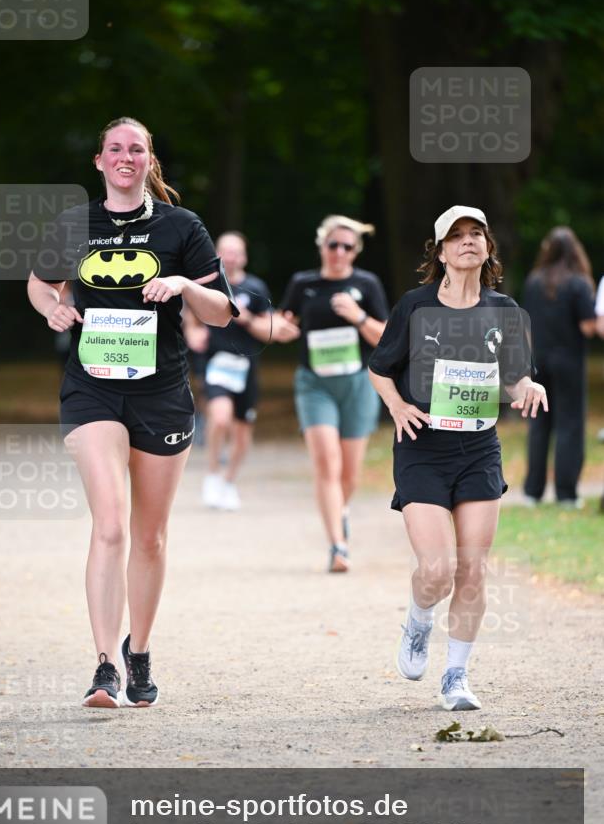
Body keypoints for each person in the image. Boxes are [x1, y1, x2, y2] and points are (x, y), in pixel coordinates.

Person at [27, 116, 236, 709]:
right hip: (92, 388)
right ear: (99, 162)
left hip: (161, 392)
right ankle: (102, 668)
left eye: (136, 149)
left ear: (149, 160)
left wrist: (181, 286)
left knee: (149, 536)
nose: (125, 157)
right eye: (115, 149)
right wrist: (53, 310)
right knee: (111, 524)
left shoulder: (181, 226)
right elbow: (41, 284)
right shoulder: (75, 224)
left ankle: (137, 652)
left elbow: (222, 310)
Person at [368, 205, 547, 711]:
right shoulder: (415, 306)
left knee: (472, 568)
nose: (468, 242)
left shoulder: (505, 310)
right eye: (457, 236)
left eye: (477, 235)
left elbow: (513, 378)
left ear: (486, 248)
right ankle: (419, 619)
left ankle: (456, 676)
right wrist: (398, 405)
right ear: (441, 251)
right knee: (437, 570)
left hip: (478, 450)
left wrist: (527, 384)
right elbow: (380, 367)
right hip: (423, 448)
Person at [279, 215, 389, 571]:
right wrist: (279, 329)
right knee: (327, 462)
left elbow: (385, 340)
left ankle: (340, 509)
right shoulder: (303, 283)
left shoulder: (367, 284)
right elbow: (285, 323)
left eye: (347, 246)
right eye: (333, 245)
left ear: (356, 251)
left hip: (357, 382)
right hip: (315, 384)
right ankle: (338, 547)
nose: (339, 252)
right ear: (322, 246)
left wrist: (357, 317)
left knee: (349, 474)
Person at [183, 231, 276, 510]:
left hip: (245, 366)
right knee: (219, 418)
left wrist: (246, 320)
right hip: (215, 363)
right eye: (226, 251)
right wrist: (192, 332)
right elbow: (190, 310)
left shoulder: (256, 287)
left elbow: (268, 330)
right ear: (217, 254)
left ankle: (228, 482)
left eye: (236, 252)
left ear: (244, 256)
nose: (231, 257)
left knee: (242, 432)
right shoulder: (210, 282)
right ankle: (212, 474)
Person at [522, 227, 596, 507]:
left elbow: (526, 325)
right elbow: (588, 327)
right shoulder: (578, 284)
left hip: (538, 362)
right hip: (569, 362)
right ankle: (566, 493)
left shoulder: (533, 281)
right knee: (569, 425)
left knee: (539, 425)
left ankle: (532, 491)